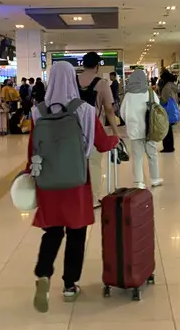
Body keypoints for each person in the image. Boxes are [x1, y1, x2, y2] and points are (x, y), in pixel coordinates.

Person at [30, 61, 119, 311]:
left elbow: (32, 149)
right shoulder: (85, 110)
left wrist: (30, 174)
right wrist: (115, 141)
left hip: (48, 181)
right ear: (72, 79)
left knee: (53, 231)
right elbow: (101, 143)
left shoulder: (38, 111)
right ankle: (69, 286)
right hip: (75, 181)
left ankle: (43, 274)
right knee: (76, 233)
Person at [77, 52, 122, 206]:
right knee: (94, 163)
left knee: (77, 163)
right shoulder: (102, 83)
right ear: (97, 66)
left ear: (83, 64)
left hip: (73, 127)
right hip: (95, 128)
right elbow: (109, 110)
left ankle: (78, 196)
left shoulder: (73, 80)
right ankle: (93, 198)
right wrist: (116, 133)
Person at [121, 70, 163, 189]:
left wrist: (130, 122)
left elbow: (122, 113)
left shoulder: (128, 95)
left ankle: (139, 182)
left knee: (137, 157)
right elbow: (157, 108)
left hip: (134, 130)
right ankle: (154, 179)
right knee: (152, 154)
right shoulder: (150, 93)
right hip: (150, 129)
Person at [159, 71, 180, 153]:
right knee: (169, 130)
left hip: (167, 111)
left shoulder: (166, 87)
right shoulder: (172, 86)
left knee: (166, 130)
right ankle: (171, 146)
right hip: (172, 109)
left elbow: (164, 100)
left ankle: (167, 147)